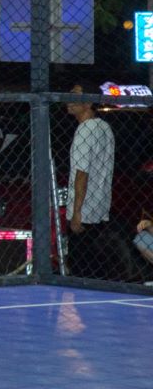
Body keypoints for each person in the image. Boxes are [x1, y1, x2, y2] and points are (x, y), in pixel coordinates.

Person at [64, 84, 116, 279]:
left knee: (81, 268)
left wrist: (77, 212)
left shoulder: (85, 130)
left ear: (88, 102)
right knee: (96, 267)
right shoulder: (104, 127)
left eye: (75, 96)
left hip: (84, 210)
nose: (69, 100)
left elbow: (82, 173)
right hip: (100, 205)